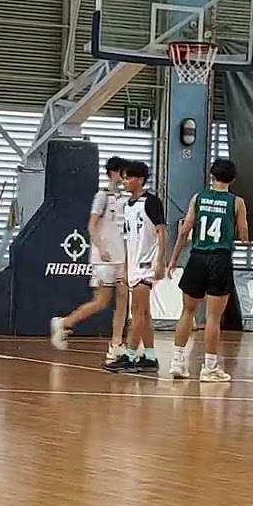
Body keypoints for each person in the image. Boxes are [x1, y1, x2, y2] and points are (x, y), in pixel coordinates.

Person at [166, 158, 248, 382]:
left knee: (187, 312)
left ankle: (178, 361)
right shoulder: (236, 202)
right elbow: (244, 234)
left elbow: (184, 231)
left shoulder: (198, 198)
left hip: (197, 257)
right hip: (219, 259)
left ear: (211, 176)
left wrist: (173, 259)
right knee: (213, 317)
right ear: (232, 178)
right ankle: (210, 367)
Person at [50, 156, 130, 362]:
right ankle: (65, 322)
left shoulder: (124, 198)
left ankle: (116, 343)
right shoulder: (102, 196)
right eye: (122, 173)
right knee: (102, 301)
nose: (125, 177)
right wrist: (101, 248)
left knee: (123, 299)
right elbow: (91, 225)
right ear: (114, 172)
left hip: (121, 256)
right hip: (103, 258)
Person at [105, 160, 165, 374]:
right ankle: (150, 356)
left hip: (147, 264)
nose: (125, 181)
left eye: (129, 177)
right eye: (124, 177)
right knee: (145, 313)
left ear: (140, 179)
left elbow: (161, 233)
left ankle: (130, 356)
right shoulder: (128, 205)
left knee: (137, 311)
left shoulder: (152, 202)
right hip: (134, 264)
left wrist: (161, 262)